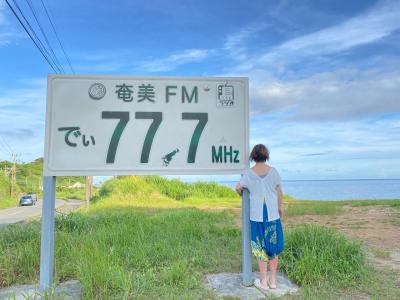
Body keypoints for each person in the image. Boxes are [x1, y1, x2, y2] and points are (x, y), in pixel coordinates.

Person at [235, 144, 284, 291]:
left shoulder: (248, 174)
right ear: (266, 156)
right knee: (273, 246)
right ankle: (273, 281)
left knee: (259, 247)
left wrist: (243, 193)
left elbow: (238, 187)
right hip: (272, 214)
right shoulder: (273, 171)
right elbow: (279, 191)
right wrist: (280, 207)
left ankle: (263, 281)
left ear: (253, 157)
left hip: (256, 214)